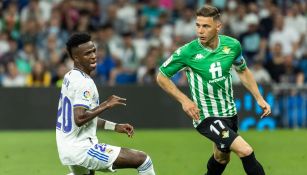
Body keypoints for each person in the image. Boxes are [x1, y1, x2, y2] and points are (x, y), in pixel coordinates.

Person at [156, 5, 270, 175]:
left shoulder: (232, 46)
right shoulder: (188, 52)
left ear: (218, 27)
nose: (200, 31)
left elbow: (243, 71)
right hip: (206, 116)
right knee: (245, 150)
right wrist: (184, 100)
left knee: (221, 158)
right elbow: (161, 76)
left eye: (206, 26)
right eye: (198, 25)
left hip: (229, 113)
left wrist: (259, 98)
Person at [56, 33, 155, 175]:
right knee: (143, 160)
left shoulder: (70, 76)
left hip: (68, 148)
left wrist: (115, 127)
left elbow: (85, 120)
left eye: (93, 51)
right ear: (76, 58)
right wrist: (106, 104)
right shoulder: (83, 83)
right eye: (87, 53)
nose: (93, 56)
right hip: (82, 150)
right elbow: (80, 119)